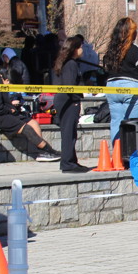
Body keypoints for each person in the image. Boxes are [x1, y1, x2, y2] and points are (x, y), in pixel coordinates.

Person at [0, 61, 61, 162]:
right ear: (6, 80)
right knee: (26, 128)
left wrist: (12, 108)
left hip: (6, 112)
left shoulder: (1, 82)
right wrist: (10, 109)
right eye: (11, 84)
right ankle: (48, 150)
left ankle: (41, 153)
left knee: (33, 123)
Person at [102, 17, 138, 143]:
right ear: (131, 33)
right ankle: (132, 152)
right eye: (135, 31)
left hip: (112, 88)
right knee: (134, 123)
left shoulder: (110, 51)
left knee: (116, 122)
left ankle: (118, 151)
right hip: (133, 88)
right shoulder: (135, 50)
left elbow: (105, 69)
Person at [52, 34, 90, 172]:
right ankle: (67, 163)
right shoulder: (71, 64)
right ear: (75, 49)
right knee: (69, 133)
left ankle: (72, 160)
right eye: (80, 47)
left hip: (64, 100)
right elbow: (70, 85)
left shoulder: (66, 63)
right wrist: (76, 99)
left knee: (69, 132)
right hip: (69, 101)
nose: (82, 49)